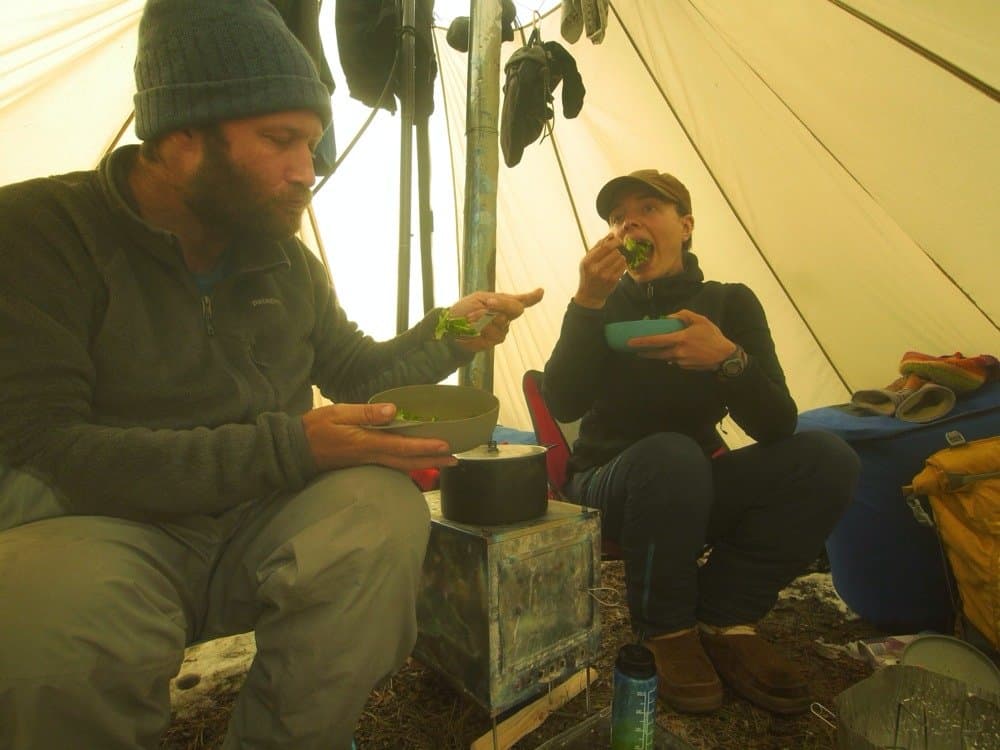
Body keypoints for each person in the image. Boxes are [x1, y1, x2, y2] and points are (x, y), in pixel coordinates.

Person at [0, 2, 542, 748]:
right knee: (47, 620)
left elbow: (358, 372)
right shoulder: (39, 232)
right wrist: (293, 447)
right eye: (280, 141)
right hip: (102, 529)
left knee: (380, 514)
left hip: (253, 521)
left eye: (313, 143)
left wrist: (453, 328)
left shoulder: (281, 260)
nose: (307, 172)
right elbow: (46, 448)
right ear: (181, 136)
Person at [542, 169, 859, 715]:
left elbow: (778, 424)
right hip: (609, 487)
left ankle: (725, 617)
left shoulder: (729, 303)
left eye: (648, 209)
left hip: (693, 486)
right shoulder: (603, 307)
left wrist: (727, 361)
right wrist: (587, 302)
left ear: (685, 226)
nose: (628, 223)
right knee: (672, 455)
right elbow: (562, 403)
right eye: (618, 217)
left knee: (827, 458)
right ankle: (665, 631)